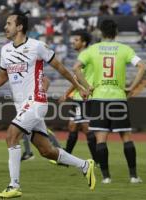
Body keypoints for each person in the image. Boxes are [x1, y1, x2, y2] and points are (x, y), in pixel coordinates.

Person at [0, 11, 96, 198]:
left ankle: (14, 186)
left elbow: (60, 68)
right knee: (46, 151)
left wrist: (79, 86)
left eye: (9, 23)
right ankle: (85, 165)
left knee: (11, 136)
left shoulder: (37, 46)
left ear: (20, 27)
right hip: (22, 105)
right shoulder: (5, 50)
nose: (5, 27)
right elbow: (4, 75)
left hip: (36, 101)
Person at [73, 19, 146, 184]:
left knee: (101, 138)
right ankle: (134, 176)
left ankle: (106, 177)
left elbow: (76, 67)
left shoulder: (92, 49)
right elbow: (143, 66)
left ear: (100, 32)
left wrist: (87, 87)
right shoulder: (124, 49)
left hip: (99, 98)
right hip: (118, 98)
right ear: (116, 33)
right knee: (126, 137)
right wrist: (132, 87)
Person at [59, 30, 97, 164]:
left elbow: (77, 79)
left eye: (76, 40)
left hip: (84, 99)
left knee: (86, 128)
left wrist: (65, 93)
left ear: (83, 43)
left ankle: (97, 160)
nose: (73, 42)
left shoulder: (85, 56)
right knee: (73, 126)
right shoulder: (86, 55)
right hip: (78, 98)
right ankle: (66, 158)